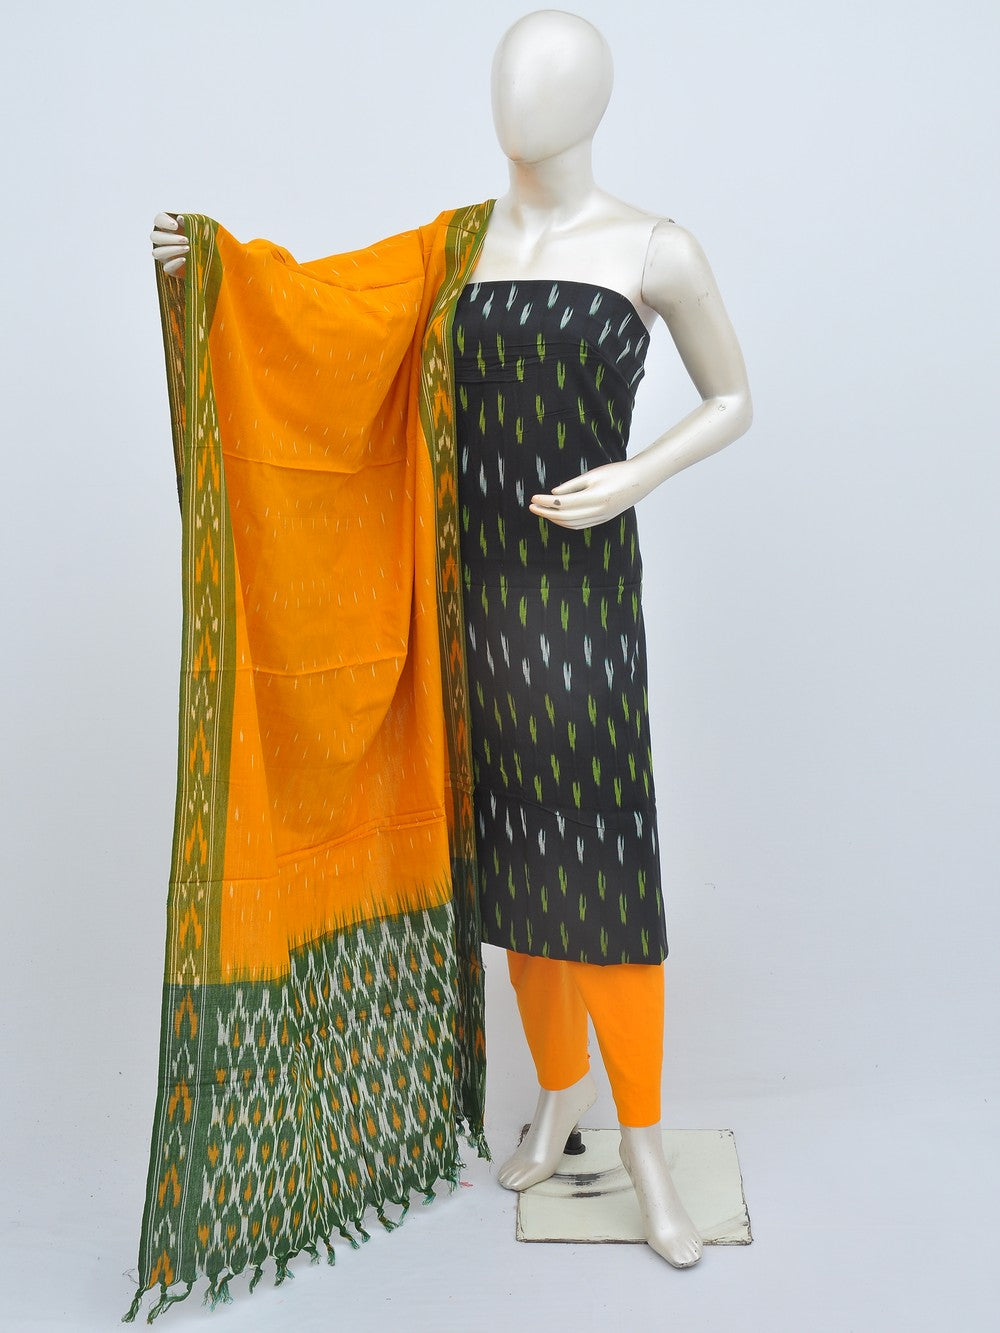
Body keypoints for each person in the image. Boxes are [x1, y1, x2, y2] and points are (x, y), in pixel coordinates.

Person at [151, 8, 751, 1272]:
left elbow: (733, 396)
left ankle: (645, 1143)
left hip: (579, 603)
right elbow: (320, 315)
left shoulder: (654, 246)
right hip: (465, 604)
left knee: (604, 869)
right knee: (517, 871)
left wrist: (635, 475)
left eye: (547, 82)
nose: (518, 102)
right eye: (507, 79)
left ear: (591, 101)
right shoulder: (456, 249)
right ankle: (559, 1096)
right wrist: (212, 268)